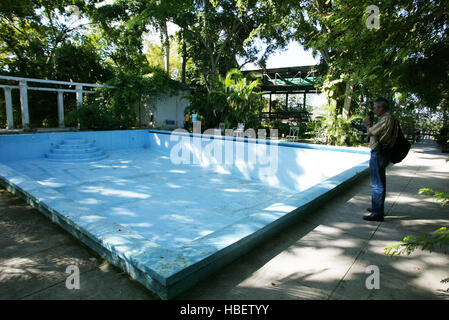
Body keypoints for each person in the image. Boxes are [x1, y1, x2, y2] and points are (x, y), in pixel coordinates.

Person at [363, 97, 398, 222]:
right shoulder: (388, 118)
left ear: (381, 108)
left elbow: (370, 133)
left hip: (379, 153)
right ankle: (376, 208)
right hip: (383, 152)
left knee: (377, 184)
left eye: (375, 107)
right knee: (379, 182)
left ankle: (377, 213)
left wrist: (368, 123)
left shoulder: (386, 119)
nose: (373, 110)